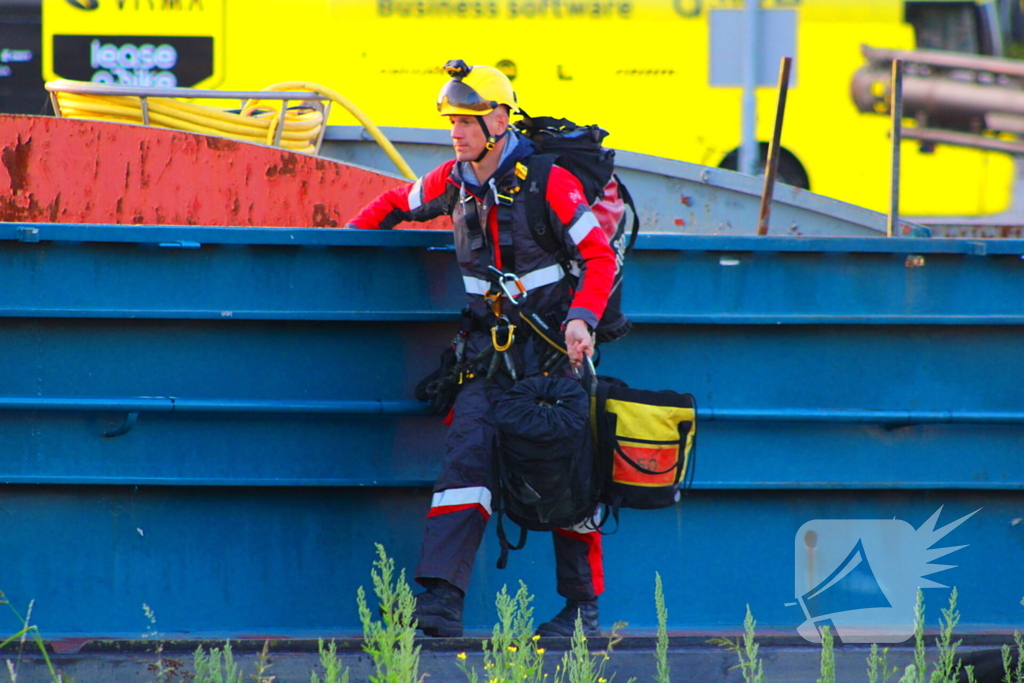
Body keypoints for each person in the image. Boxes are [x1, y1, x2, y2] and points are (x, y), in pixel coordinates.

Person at [345, 59, 617, 638]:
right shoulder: (451, 181)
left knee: (569, 478)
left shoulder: (550, 182)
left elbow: (599, 258)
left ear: (497, 118)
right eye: (451, 122)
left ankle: (582, 612)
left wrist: (581, 320)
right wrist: (341, 246)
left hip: (551, 361)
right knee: (463, 468)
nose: (456, 132)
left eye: (466, 121)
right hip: (486, 361)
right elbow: (395, 204)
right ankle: (440, 604)